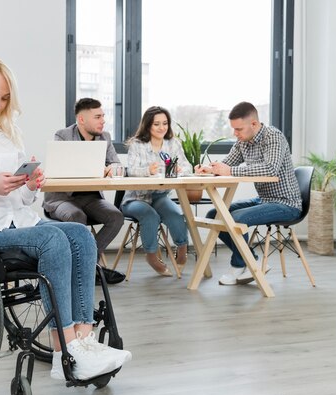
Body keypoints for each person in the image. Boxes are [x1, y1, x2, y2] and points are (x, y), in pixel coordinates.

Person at [0, 55, 131, 381]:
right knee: (54, 237)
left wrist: (29, 186)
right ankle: (66, 351)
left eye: (3, 99)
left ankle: (84, 342)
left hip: (20, 222)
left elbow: (21, 199)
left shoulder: (5, 135)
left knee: (80, 233)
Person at [197, 101, 302, 285]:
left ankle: (238, 266)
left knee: (235, 218)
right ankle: (252, 261)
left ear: (254, 124)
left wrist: (229, 171)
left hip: (286, 203)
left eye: (239, 129)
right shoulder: (243, 142)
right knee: (214, 214)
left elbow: (270, 169)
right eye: (234, 129)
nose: (235, 134)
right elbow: (228, 164)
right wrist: (210, 168)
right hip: (263, 199)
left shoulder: (273, 137)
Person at [43, 98, 125, 284]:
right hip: (62, 199)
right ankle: (87, 269)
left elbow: (116, 163)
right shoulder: (63, 135)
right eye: (97, 117)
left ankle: (85, 265)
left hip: (91, 197)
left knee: (116, 217)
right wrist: (96, 169)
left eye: (103, 116)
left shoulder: (104, 137)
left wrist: (111, 168)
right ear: (81, 119)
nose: (102, 120)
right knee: (77, 217)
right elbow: (60, 167)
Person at [121, 106, 191, 276]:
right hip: (135, 198)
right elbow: (131, 170)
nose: (162, 128)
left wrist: (181, 170)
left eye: (165, 123)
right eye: (156, 124)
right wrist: (148, 170)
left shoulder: (173, 143)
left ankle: (182, 250)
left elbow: (186, 165)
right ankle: (151, 256)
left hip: (160, 195)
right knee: (150, 216)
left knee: (176, 214)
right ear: (148, 125)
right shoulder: (137, 144)